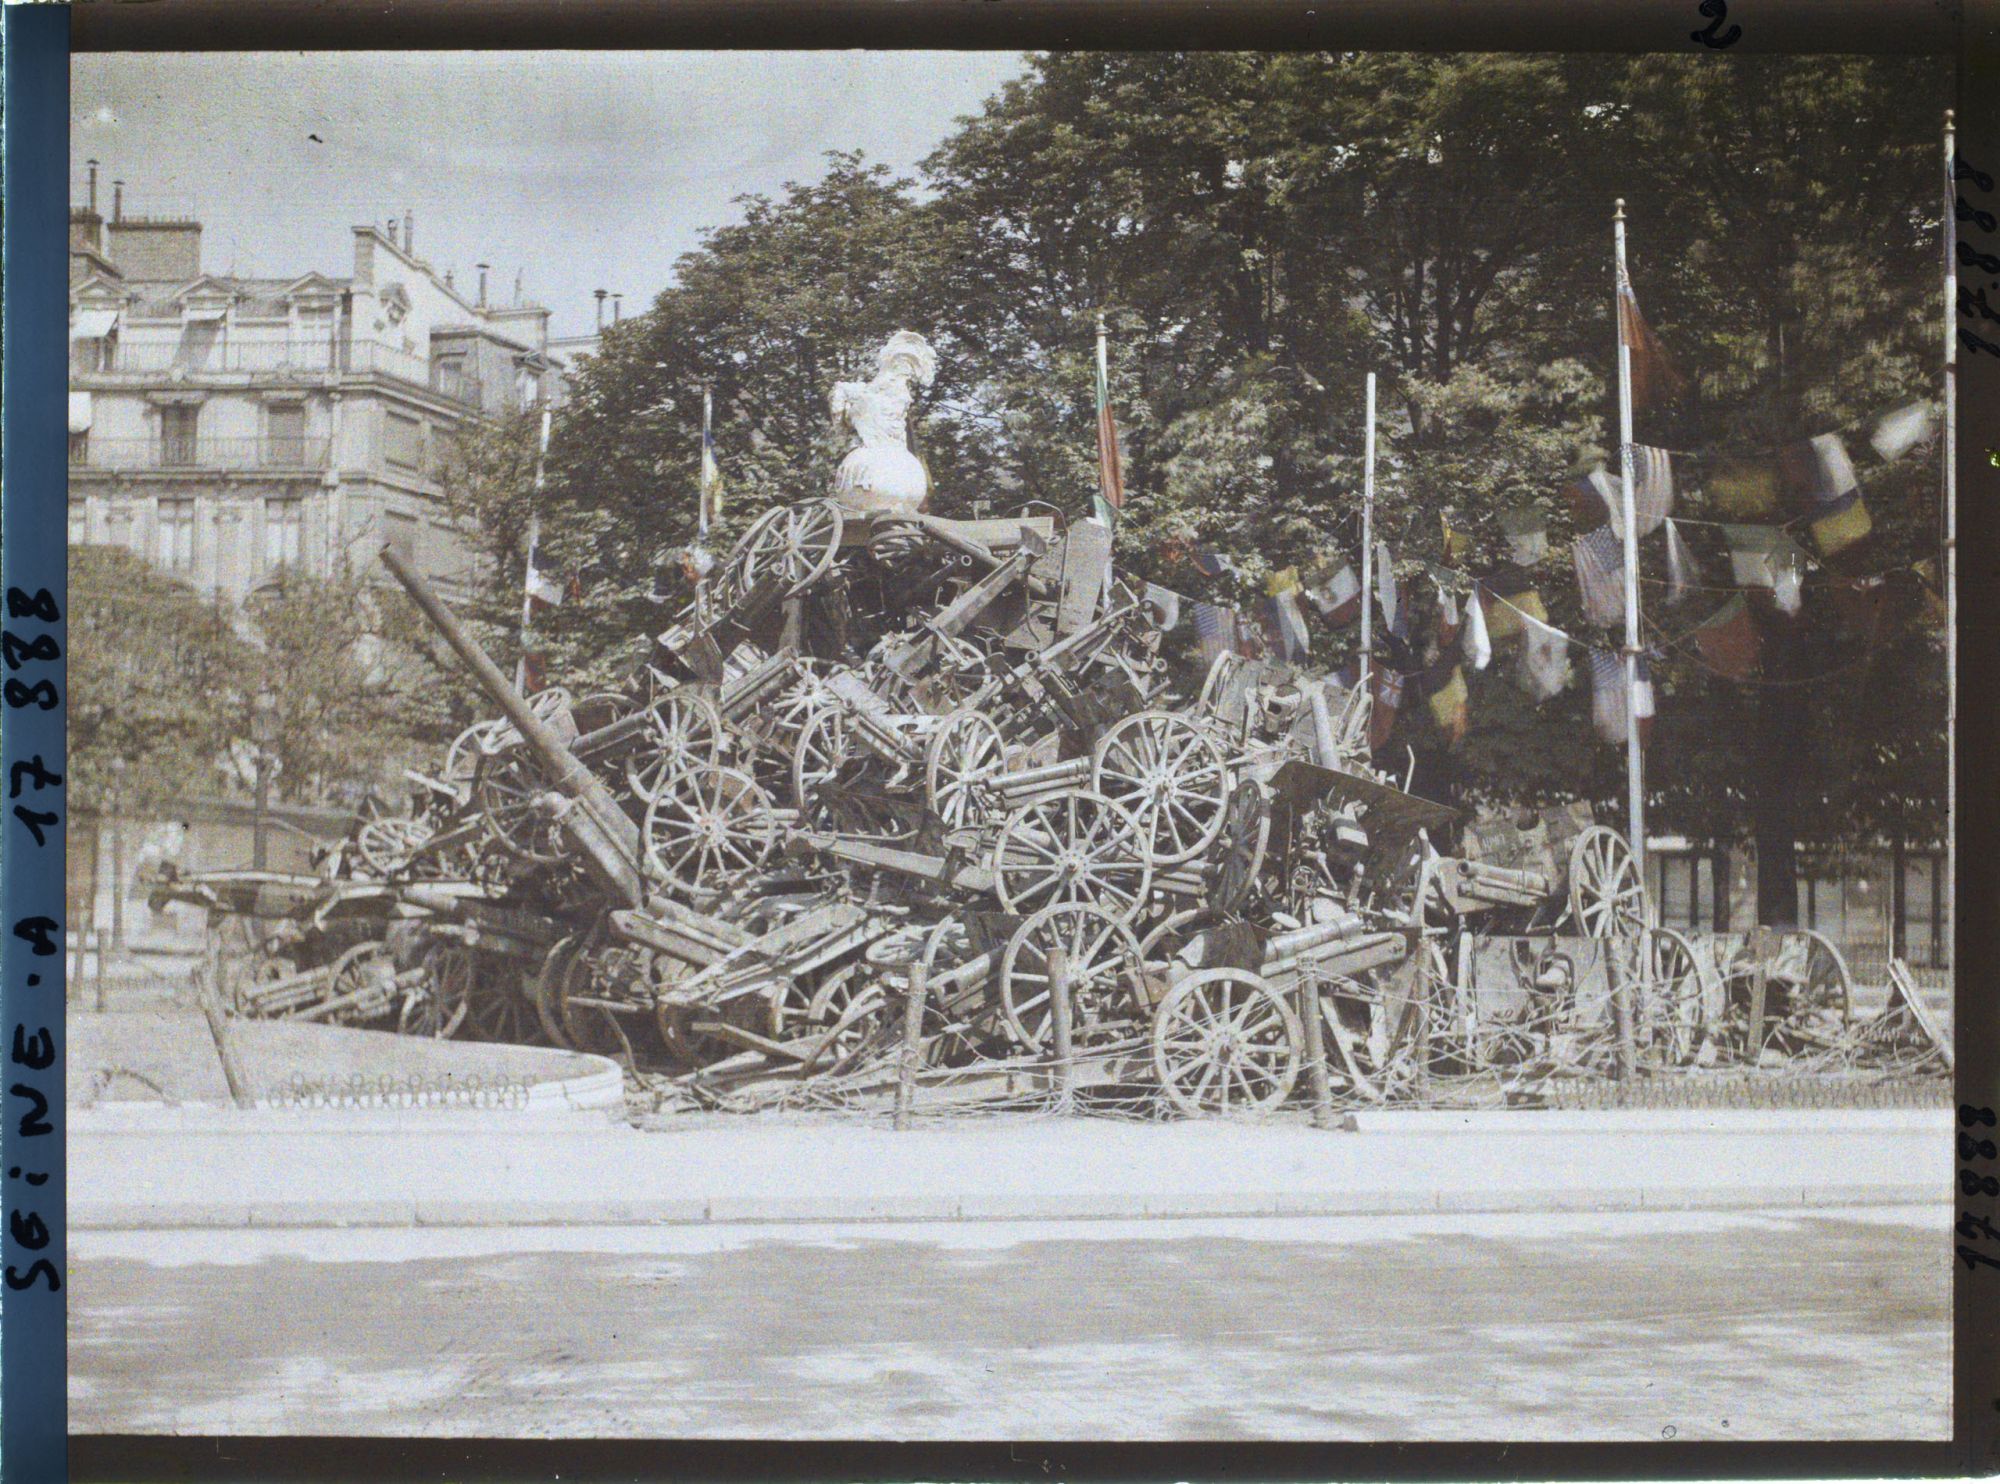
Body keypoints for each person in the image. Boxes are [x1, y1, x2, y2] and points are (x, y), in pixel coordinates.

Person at [828, 330, 937, 516]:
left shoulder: (896, 390)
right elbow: (848, 391)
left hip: (891, 456)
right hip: (880, 455)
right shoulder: (878, 390)